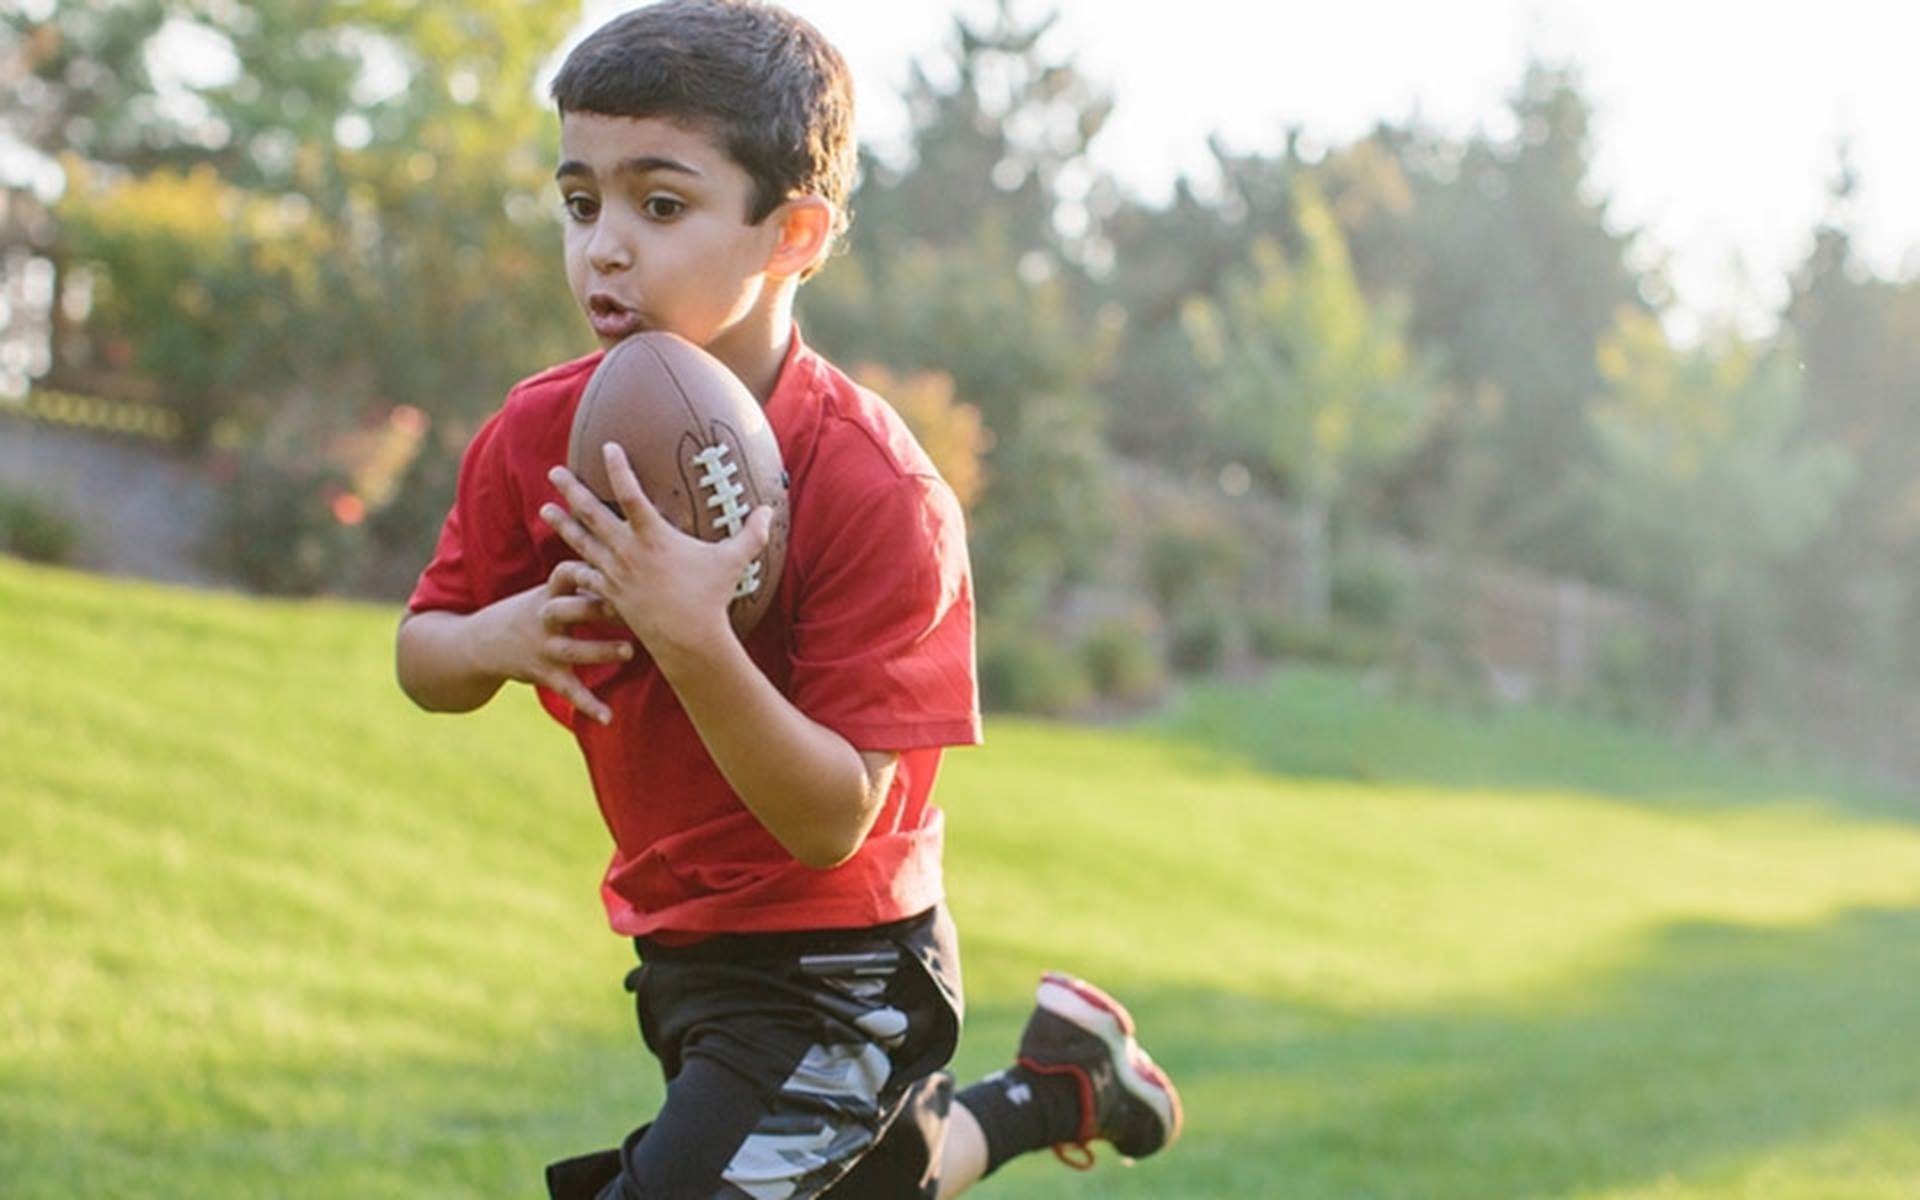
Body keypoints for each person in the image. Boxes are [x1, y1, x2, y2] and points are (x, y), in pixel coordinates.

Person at [394, 2, 1180, 1195]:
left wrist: (690, 631)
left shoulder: (878, 491)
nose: (604, 246)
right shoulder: (537, 435)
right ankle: (1057, 1088)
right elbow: (420, 654)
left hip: (842, 965)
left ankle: (1012, 1092)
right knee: (872, 1175)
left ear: (794, 232)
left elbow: (830, 821)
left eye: (660, 205)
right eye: (580, 201)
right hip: (683, 947)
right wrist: (497, 638)